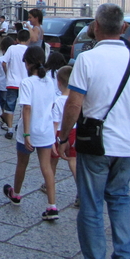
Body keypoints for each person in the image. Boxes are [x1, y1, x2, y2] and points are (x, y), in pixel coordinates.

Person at [58, 3, 130, 259]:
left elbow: (74, 103)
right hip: (127, 144)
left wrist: (63, 137)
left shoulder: (87, 59)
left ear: (96, 26)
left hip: (96, 142)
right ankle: (125, 258)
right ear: (123, 28)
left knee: (91, 203)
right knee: (121, 198)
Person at [3, 46, 59, 220]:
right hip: (46, 129)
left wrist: (26, 134)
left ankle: (17, 194)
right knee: (46, 167)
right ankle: (52, 205)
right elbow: (51, 105)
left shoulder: (27, 83)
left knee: (22, 163)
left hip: (30, 129)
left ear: (27, 63)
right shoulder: (51, 81)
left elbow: (26, 108)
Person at [52, 65, 79, 208]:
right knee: (73, 160)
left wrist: (52, 140)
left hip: (59, 133)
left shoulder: (58, 101)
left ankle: (49, 183)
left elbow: (55, 123)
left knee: (53, 161)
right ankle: (80, 188)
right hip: (74, 131)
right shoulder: (78, 100)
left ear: (59, 82)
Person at [0, 29, 31, 139]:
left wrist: (8, 73)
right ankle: (21, 126)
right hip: (26, 83)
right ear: (28, 39)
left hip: (12, 82)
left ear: (17, 39)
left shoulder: (12, 49)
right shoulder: (29, 50)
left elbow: (4, 63)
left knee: (9, 106)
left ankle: (10, 129)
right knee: (24, 106)